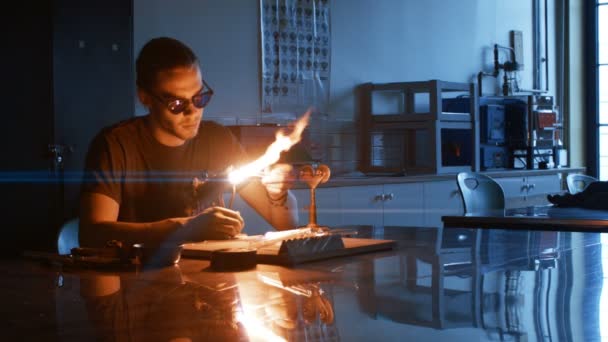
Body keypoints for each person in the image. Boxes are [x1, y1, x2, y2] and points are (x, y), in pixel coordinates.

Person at [79, 37, 298, 248]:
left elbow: (287, 224)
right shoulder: (117, 146)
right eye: (176, 103)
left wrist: (278, 195)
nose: (192, 112)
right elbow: (92, 234)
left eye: (199, 98)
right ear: (144, 97)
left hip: (213, 281)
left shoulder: (218, 140)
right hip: (140, 279)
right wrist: (182, 229)